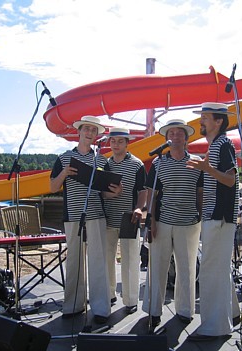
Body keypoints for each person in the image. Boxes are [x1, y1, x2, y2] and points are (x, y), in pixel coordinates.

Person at [50, 115, 116, 324]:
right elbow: (52, 187)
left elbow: (105, 193)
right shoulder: (64, 158)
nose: (89, 133)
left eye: (93, 130)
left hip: (96, 215)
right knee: (75, 261)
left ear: (97, 135)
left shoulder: (102, 160)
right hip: (73, 216)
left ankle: (100, 308)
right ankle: (73, 305)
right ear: (79, 132)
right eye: (86, 129)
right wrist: (65, 173)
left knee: (98, 262)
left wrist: (115, 192)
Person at [142, 119, 203, 327]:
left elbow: (200, 193)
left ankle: (185, 310)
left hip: (189, 223)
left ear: (186, 138)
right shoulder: (159, 163)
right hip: (163, 221)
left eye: (180, 133)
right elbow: (151, 194)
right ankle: (153, 309)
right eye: (172, 133)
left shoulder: (197, 162)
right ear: (167, 137)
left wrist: (200, 216)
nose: (175, 136)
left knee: (186, 268)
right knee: (157, 265)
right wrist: (151, 220)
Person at [186, 102, 240, 341]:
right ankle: (232, 314)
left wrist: (207, 168)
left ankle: (215, 327)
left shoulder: (223, 144)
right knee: (218, 269)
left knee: (211, 271)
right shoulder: (217, 145)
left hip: (219, 216)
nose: (201, 121)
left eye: (205, 117)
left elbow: (230, 180)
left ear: (218, 121)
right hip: (216, 216)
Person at [102, 127, 147, 315]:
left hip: (129, 217)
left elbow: (142, 191)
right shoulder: (105, 165)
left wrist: (138, 208)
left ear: (127, 143)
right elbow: (102, 192)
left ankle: (130, 299)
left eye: (120, 141)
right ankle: (109, 293)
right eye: (113, 141)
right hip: (108, 217)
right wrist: (114, 194)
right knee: (107, 258)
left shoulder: (137, 165)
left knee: (130, 259)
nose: (116, 144)